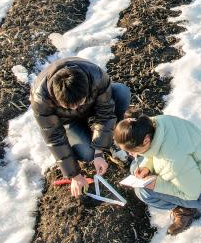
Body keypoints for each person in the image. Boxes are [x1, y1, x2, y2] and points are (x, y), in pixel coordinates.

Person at [30, 57, 130, 198]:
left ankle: (112, 138)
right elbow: (54, 137)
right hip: (69, 121)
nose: (76, 107)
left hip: (93, 108)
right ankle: (84, 133)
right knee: (87, 154)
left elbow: (106, 114)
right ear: (56, 99)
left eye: (80, 102)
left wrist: (99, 152)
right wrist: (75, 175)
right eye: (70, 106)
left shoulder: (96, 76)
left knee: (121, 92)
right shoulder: (41, 100)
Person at [114, 113, 201, 235]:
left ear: (146, 140)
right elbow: (157, 149)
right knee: (135, 167)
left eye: (131, 151)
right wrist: (147, 167)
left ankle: (185, 211)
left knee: (143, 192)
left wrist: (157, 185)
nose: (130, 154)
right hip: (197, 166)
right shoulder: (156, 123)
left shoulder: (172, 161)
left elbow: (192, 194)